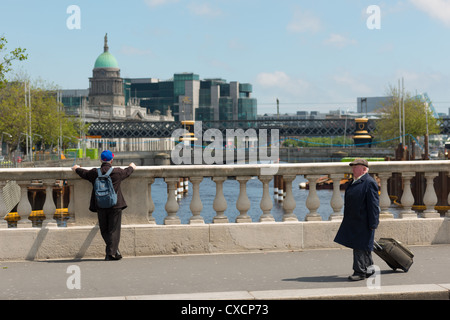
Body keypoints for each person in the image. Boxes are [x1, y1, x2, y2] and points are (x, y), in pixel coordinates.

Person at [71, 150, 136, 261]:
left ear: (101, 160)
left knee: (104, 229)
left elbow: (84, 173)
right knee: (114, 230)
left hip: (100, 204)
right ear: (112, 160)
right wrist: (132, 166)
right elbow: (128, 171)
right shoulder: (117, 172)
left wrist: (76, 168)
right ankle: (112, 253)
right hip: (115, 205)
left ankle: (112, 252)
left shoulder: (94, 173)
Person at [334, 158, 380, 281]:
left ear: (364, 169)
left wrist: (373, 223)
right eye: (352, 167)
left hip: (363, 220)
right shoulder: (355, 181)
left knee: (359, 246)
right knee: (364, 246)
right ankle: (370, 270)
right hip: (355, 220)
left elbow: (374, 205)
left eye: (355, 167)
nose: (353, 169)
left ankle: (359, 272)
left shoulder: (369, 182)